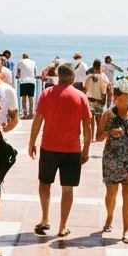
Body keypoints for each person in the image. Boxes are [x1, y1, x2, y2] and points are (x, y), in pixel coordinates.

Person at [29, 63, 93, 237]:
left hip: (48, 147)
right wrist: (86, 149)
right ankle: (62, 226)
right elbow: (88, 127)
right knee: (67, 188)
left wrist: (31, 142)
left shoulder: (46, 94)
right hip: (72, 150)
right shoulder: (80, 97)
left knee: (44, 183)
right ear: (72, 77)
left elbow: (38, 121)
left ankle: (44, 219)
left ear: (58, 76)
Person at [97, 79, 128, 244]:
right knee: (111, 194)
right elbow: (98, 137)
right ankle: (110, 216)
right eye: (115, 94)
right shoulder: (108, 114)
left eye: (119, 94)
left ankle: (126, 230)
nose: (116, 97)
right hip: (112, 158)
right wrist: (110, 132)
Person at [83, 59, 111, 125]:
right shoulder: (104, 77)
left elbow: (84, 89)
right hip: (99, 102)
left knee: (91, 123)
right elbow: (109, 90)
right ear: (100, 66)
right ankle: (97, 135)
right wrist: (108, 105)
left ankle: (92, 135)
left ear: (93, 67)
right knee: (99, 124)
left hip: (90, 101)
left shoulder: (88, 77)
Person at [17, 52, 38, 118]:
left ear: (23, 57)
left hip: (23, 81)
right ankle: (31, 113)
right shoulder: (33, 62)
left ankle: (25, 113)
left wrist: (18, 76)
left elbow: (18, 72)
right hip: (31, 81)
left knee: (23, 97)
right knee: (31, 97)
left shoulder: (20, 62)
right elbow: (35, 72)